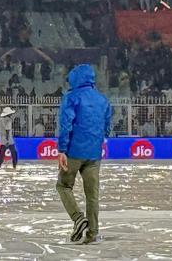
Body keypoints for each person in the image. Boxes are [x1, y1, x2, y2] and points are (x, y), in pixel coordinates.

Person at [56, 64, 113, 245]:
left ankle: (78, 218)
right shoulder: (102, 100)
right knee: (92, 194)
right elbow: (107, 126)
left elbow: (66, 125)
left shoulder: (71, 97)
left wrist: (62, 150)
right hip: (94, 153)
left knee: (63, 186)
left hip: (74, 151)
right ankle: (92, 233)